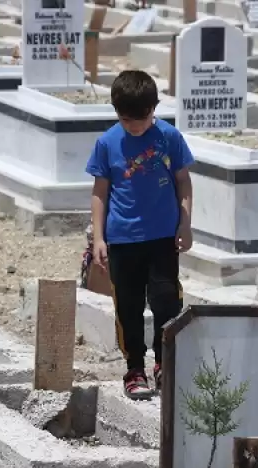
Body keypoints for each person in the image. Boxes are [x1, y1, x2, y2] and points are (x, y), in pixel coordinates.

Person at [85, 70, 195, 401]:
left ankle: (165, 362)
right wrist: (99, 237)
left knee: (166, 300)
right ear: (117, 113)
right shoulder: (106, 143)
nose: (135, 126)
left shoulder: (169, 137)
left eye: (142, 118)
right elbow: (100, 192)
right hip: (122, 239)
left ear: (154, 108)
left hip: (162, 237)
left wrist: (186, 223)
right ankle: (135, 367)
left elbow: (183, 181)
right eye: (127, 119)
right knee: (128, 307)